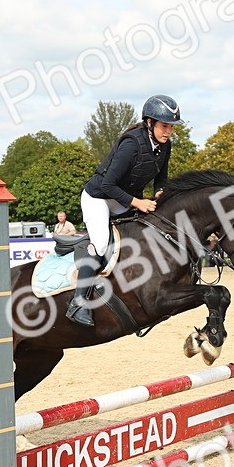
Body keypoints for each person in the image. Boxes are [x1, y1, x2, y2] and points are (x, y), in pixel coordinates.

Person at [66, 94, 180, 326]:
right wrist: (137, 203)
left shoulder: (164, 146)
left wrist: (160, 191)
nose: (168, 132)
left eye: (171, 127)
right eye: (164, 126)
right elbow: (108, 185)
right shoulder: (131, 144)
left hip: (123, 199)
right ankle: (78, 302)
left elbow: (162, 179)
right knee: (100, 244)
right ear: (150, 123)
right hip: (98, 198)